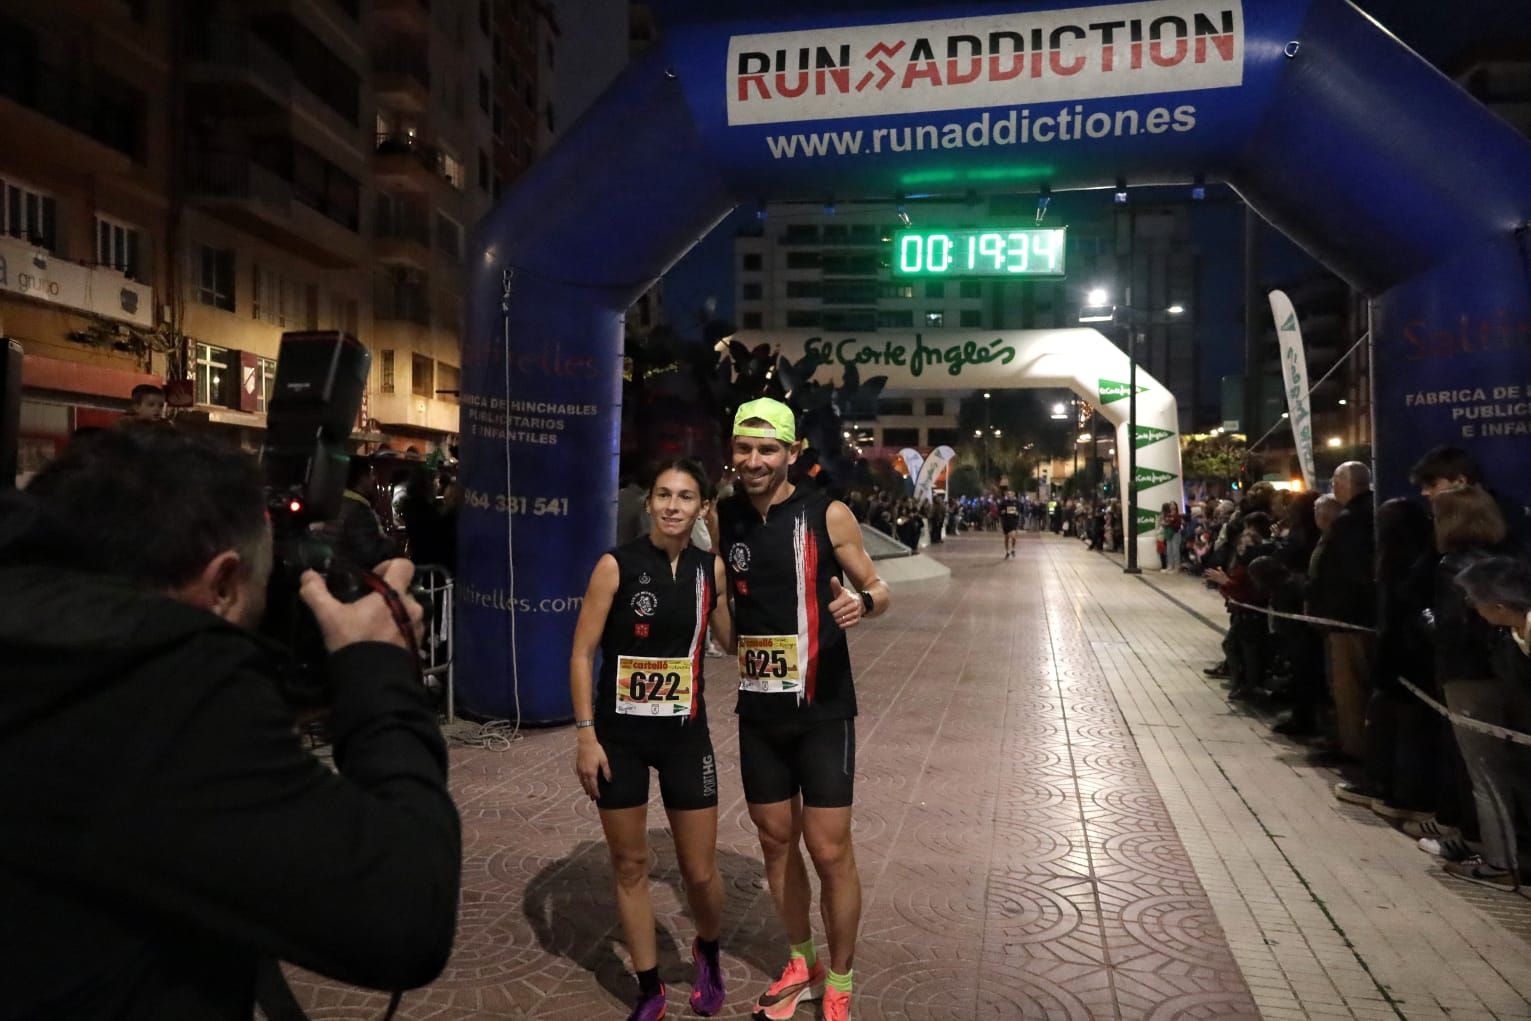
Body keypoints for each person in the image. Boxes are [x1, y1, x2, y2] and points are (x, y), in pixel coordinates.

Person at [0, 424, 458, 1018]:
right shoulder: (155, 686)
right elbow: (404, 913)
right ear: (220, 584)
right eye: (261, 588)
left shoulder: (39, 652)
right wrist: (380, 672)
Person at [715, 398, 890, 1021]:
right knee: (774, 841)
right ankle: (802, 959)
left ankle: (839, 978)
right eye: (744, 448)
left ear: (792, 454)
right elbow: (726, 615)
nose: (754, 460)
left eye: (767, 449)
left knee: (829, 849)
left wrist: (861, 605)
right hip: (759, 712)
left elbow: (878, 586)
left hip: (822, 708)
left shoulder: (826, 513)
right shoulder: (725, 515)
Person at [569, 460, 734, 1020]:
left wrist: (735, 583)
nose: (672, 505)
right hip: (621, 740)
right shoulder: (616, 566)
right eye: (663, 494)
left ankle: (707, 950)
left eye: (686, 496)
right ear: (649, 503)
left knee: (700, 872)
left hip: (686, 737)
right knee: (630, 864)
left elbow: (731, 643)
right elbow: (580, 653)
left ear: (702, 508)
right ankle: (649, 986)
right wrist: (587, 736)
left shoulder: (709, 570)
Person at [1309, 462, 1376, 759]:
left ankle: (1354, 750)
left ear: (1347, 484)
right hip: (1362, 616)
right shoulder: (1371, 513)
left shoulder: (1350, 521)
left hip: (1348, 619)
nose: (1333, 488)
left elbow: (1347, 573)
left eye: (1336, 482)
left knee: (1349, 689)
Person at [996, 485, 1021, 558]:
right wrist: (1002, 512)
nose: (1010, 495)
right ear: (1007, 495)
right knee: (1006, 538)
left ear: (1013, 495)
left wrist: (1017, 512)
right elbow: (999, 510)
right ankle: (1007, 551)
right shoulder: (1003, 502)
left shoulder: (1016, 502)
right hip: (1006, 522)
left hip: (1013, 522)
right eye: (1008, 494)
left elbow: (1019, 510)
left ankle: (1013, 549)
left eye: (1011, 494)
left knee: (1013, 537)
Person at [1160, 501, 1184, 573]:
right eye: (1170, 505)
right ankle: (1170, 565)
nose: (1172, 506)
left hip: (1175, 533)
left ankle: (1177, 567)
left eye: (1173, 505)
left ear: (1176, 506)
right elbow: (1164, 522)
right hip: (1168, 533)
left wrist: (1169, 524)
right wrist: (1165, 523)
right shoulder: (1168, 515)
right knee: (1169, 550)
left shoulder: (1177, 515)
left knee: (1175, 550)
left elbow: (1178, 526)